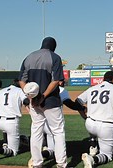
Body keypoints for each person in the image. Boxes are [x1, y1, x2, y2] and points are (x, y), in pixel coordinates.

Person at [18, 37, 68, 168]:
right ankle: (61, 164)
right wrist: (44, 96)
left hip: (33, 102)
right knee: (58, 132)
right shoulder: (55, 57)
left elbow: (21, 81)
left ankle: (37, 163)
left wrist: (30, 95)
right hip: (51, 101)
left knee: (36, 131)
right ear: (53, 46)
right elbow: (56, 80)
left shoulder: (28, 57)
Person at [28, 83, 87, 167]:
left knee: (40, 139)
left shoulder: (38, 88)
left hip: (41, 122)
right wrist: (82, 108)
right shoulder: (61, 90)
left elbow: (27, 101)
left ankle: (36, 158)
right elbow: (70, 104)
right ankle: (59, 163)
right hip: (51, 124)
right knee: (56, 143)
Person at [0, 78, 29, 165]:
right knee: (14, 151)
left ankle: (5, 143)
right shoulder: (20, 91)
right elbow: (26, 101)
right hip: (11, 122)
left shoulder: (0, 91)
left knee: (6, 131)